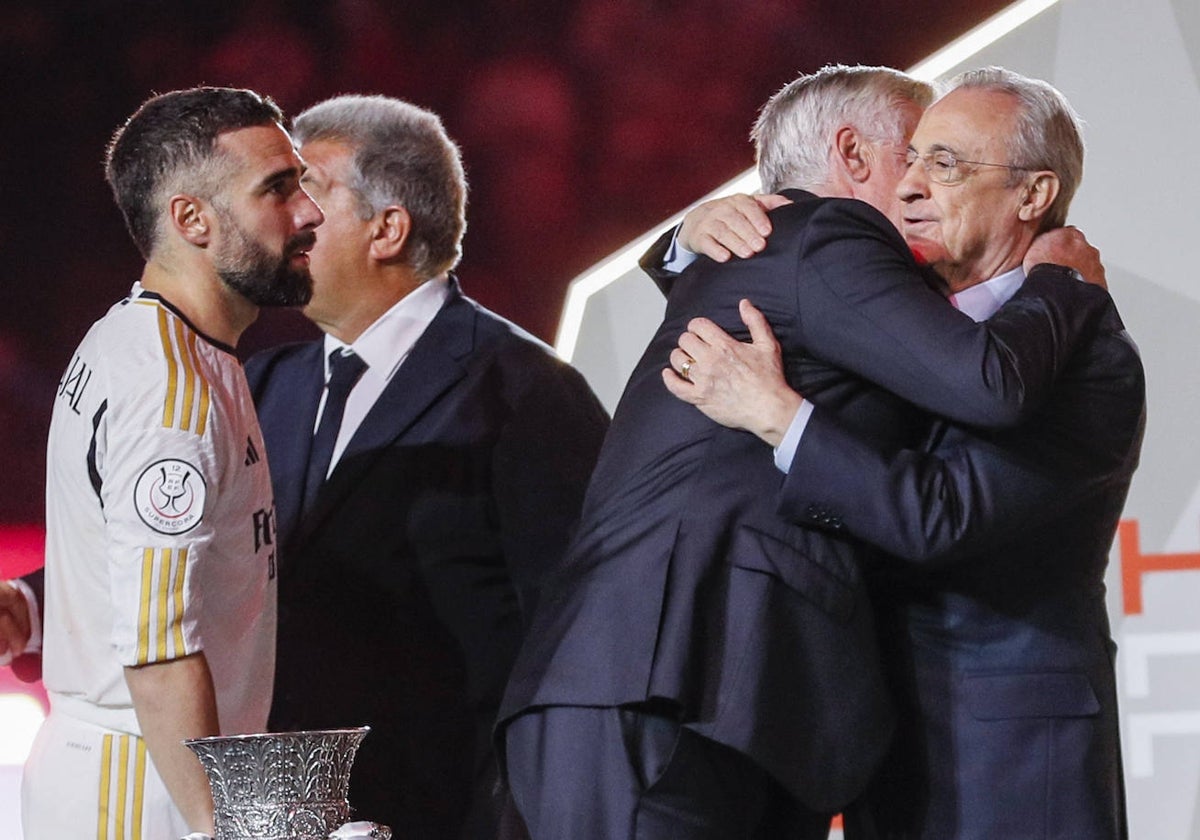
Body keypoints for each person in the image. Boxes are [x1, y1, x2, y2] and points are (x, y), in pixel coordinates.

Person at [497, 64, 1118, 840]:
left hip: (753, 704)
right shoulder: (827, 232)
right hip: (667, 683)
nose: (920, 184)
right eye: (915, 156)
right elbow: (984, 385)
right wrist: (1061, 278)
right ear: (853, 156)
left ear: (1031, 192)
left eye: (945, 163)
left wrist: (773, 406)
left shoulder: (872, 287)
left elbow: (942, 490)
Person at [244, 94, 608, 838]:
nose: (291, 218)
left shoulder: (524, 391)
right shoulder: (261, 387)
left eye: (309, 189)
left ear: (389, 228)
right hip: (284, 816)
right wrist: (33, 606)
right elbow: (196, 559)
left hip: (452, 816)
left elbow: (575, 641)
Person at [23, 87, 323, 838]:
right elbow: (158, 652)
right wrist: (220, 827)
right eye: (277, 189)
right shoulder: (172, 393)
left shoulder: (158, 346)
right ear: (192, 219)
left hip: (123, 775)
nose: (309, 213)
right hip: (140, 791)